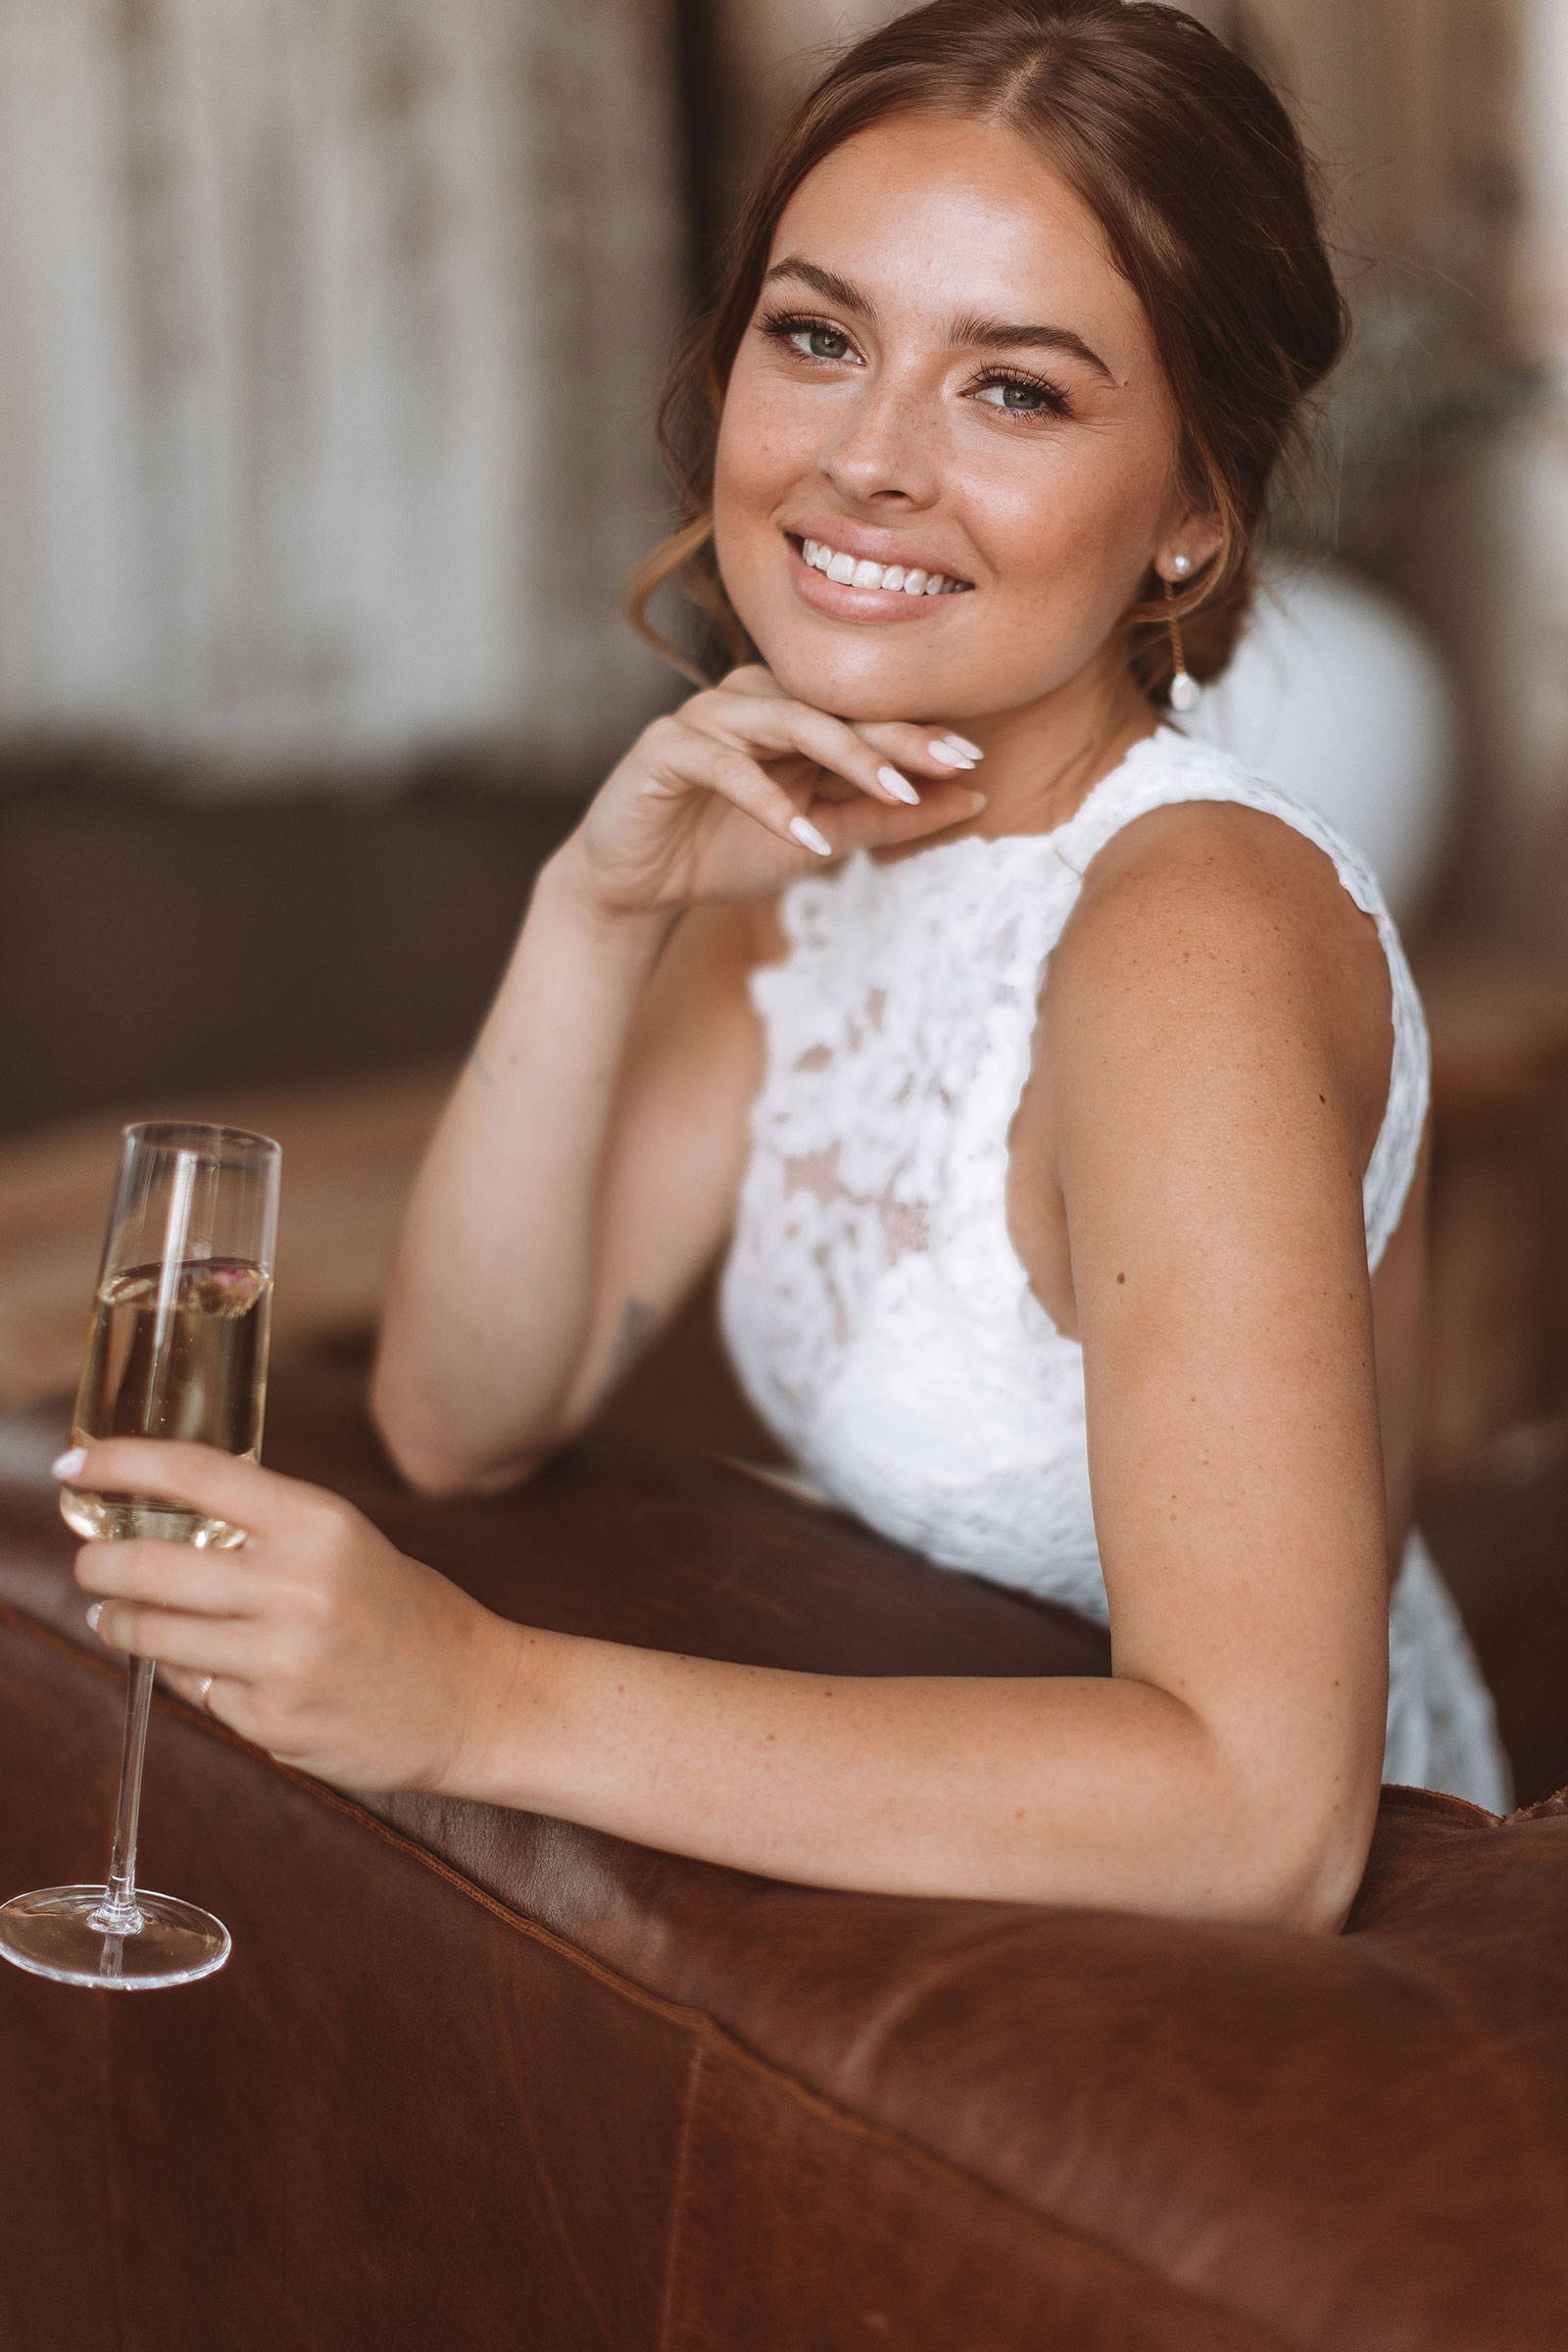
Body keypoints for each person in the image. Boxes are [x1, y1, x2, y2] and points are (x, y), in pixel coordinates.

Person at [62, 0, 1511, 1935]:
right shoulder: (813, 849)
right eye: (817, 338)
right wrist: (598, 908)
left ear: (1187, 507)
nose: (864, 462)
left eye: (1014, 389)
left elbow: (1262, 1825)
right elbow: (462, 1410)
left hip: (1239, 2040)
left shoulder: (1193, 927)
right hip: (946, 1893)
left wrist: (478, 1697)